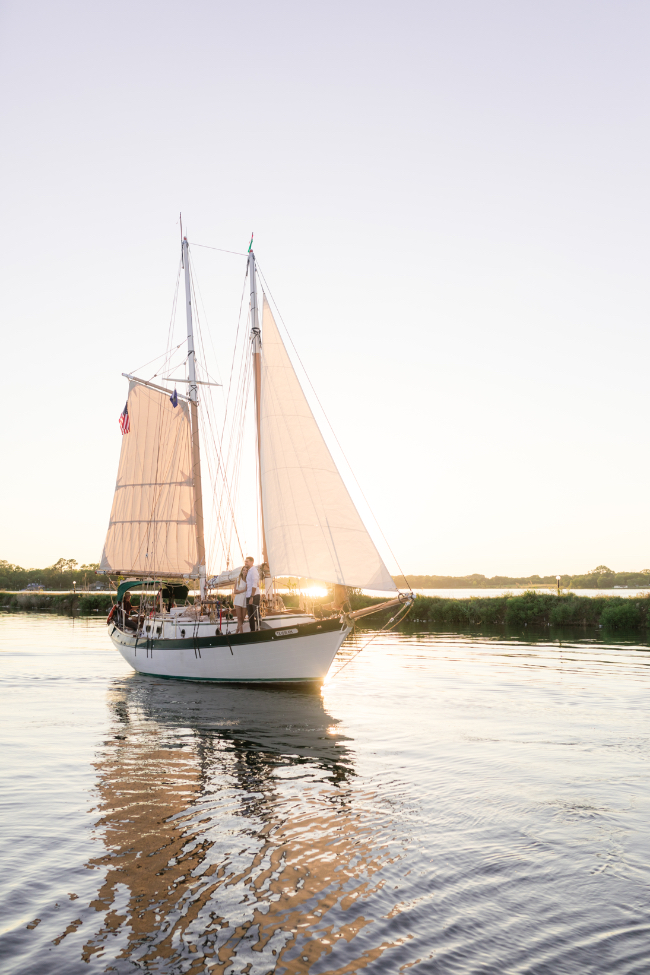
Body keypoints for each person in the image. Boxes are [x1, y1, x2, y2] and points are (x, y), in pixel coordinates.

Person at [245, 556, 261, 631]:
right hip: (248, 595)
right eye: (245, 561)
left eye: (247, 561)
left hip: (254, 595)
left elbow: (254, 584)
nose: (245, 563)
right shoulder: (249, 571)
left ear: (252, 562)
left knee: (256, 613)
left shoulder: (254, 571)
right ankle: (252, 630)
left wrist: (251, 597)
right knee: (250, 615)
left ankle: (259, 629)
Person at [233, 565, 248, 634]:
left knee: (242, 618)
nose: (245, 571)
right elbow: (235, 592)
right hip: (238, 599)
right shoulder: (238, 579)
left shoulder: (248, 580)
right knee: (239, 617)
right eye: (244, 570)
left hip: (245, 600)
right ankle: (241, 633)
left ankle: (236, 632)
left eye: (246, 570)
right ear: (242, 571)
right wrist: (244, 590)